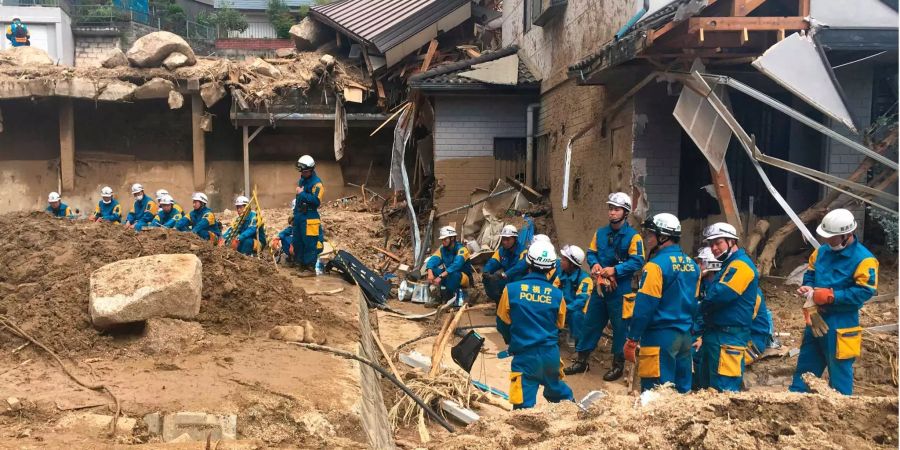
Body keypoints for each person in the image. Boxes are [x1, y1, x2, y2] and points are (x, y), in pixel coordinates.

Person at [789, 209, 878, 395]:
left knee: (840, 372)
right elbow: (811, 274)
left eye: (833, 237)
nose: (828, 241)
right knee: (806, 367)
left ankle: (841, 413)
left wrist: (832, 296)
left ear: (847, 234)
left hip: (843, 322)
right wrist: (809, 288)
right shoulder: (821, 252)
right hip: (816, 317)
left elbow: (864, 292)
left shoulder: (865, 260)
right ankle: (797, 402)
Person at [567, 192, 644, 380]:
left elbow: (638, 261)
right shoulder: (600, 233)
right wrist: (594, 265)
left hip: (621, 291)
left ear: (625, 213)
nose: (612, 213)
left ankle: (618, 365)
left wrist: (616, 270)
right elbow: (591, 252)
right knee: (590, 323)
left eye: (616, 209)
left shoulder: (634, 237)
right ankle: (581, 360)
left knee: (620, 328)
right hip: (600, 289)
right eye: (610, 209)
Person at [624, 213, 699, 393]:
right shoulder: (693, 265)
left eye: (651, 234)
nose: (647, 238)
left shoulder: (655, 266)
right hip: (685, 337)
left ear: (663, 237)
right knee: (683, 392)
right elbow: (695, 302)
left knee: (656, 394)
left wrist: (632, 338)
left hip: (660, 337)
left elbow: (644, 307)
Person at [496, 240, 574, 409]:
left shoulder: (511, 290)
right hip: (550, 356)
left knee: (523, 410)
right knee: (560, 397)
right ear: (552, 267)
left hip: (524, 357)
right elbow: (559, 324)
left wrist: (512, 341)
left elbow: (501, 322)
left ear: (528, 262)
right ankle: (575, 412)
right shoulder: (557, 294)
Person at [695, 222, 759, 392]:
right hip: (716, 334)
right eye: (711, 244)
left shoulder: (741, 266)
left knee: (724, 392)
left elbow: (719, 295)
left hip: (729, 337)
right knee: (706, 389)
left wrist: (697, 305)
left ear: (731, 242)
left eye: (718, 243)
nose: (714, 248)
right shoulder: (728, 265)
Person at [291, 155, 325, 270]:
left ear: (310, 170)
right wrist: (294, 215)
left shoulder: (317, 183)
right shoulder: (302, 180)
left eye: (304, 171)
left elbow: (316, 201)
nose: (302, 173)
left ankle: (310, 268)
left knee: (310, 243)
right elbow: (298, 200)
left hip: (310, 216)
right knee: (298, 241)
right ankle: (300, 265)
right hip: (300, 215)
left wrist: (302, 194)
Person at [557, 245, 593, 350]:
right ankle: (552, 338)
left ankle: (579, 344)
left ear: (572, 264)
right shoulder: (561, 276)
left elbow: (581, 301)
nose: (561, 261)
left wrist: (564, 309)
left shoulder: (585, 279)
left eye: (564, 259)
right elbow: (553, 291)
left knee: (576, 315)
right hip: (564, 307)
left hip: (577, 310)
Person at [426, 226, 473, 303]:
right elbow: (434, 259)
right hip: (447, 275)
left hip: (463, 277)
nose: (443, 242)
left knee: (453, 274)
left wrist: (440, 276)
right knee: (434, 269)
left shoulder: (462, 250)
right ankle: (437, 298)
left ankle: (448, 300)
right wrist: (430, 272)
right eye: (442, 240)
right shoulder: (442, 249)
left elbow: (456, 265)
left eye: (445, 239)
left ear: (452, 238)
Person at [482, 225, 527, 302]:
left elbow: (520, 267)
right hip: (507, 278)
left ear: (515, 239)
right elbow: (492, 262)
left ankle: (516, 305)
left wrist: (505, 274)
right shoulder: (501, 251)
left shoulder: (523, 251)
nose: (505, 242)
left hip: (520, 280)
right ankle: (499, 302)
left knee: (517, 278)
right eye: (503, 239)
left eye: (508, 239)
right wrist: (486, 271)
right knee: (488, 280)